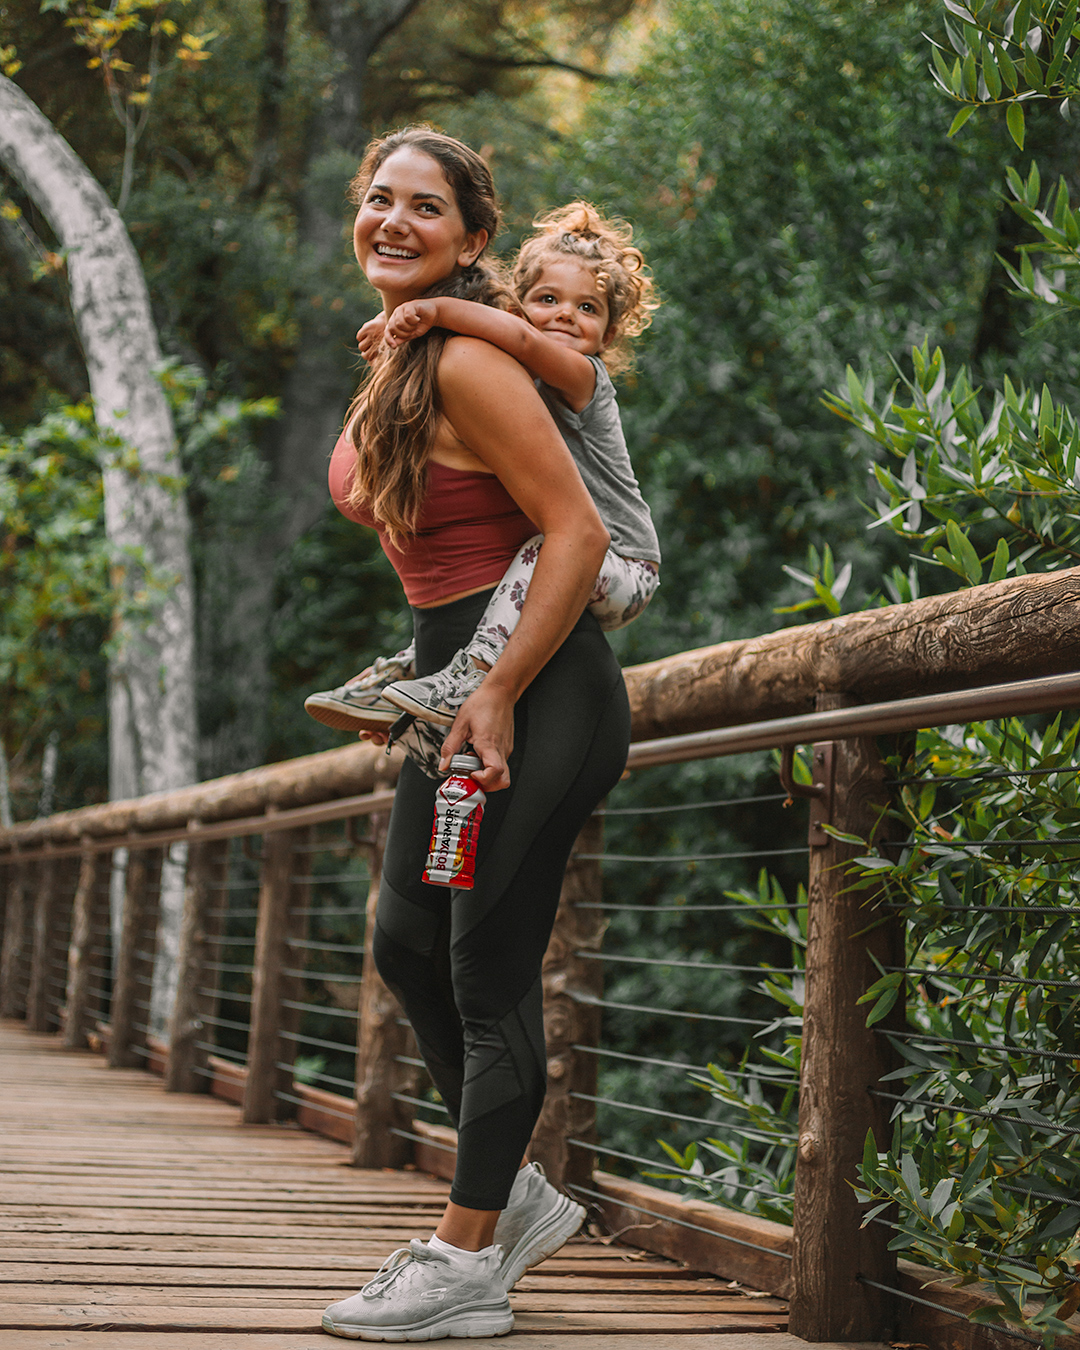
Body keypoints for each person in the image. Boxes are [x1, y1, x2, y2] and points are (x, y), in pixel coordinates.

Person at [318, 127, 631, 1342]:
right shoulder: (404, 357)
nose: (393, 222)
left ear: (474, 238)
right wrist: (429, 684)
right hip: (453, 692)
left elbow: (578, 534)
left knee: (483, 972)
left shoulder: (468, 361)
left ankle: (464, 1265)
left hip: (536, 697)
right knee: (405, 944)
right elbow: (442, 556)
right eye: (378, 200)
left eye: (425, 208)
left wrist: (493, 691)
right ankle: (519, 1196)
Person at [303, 203, 659, 741]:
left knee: (541, 550)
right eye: (546, 299)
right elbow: (499, 333)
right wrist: (402, 327)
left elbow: (519, 338)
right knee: (519, 570)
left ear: (608, 335)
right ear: (521, 304)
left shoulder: (583, 378)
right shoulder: (511, 378)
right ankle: (404, 676)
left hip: (624, 567)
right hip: (571, 567)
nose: (565, 314)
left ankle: (469, 675)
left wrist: (432, 312)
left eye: (587, 307)